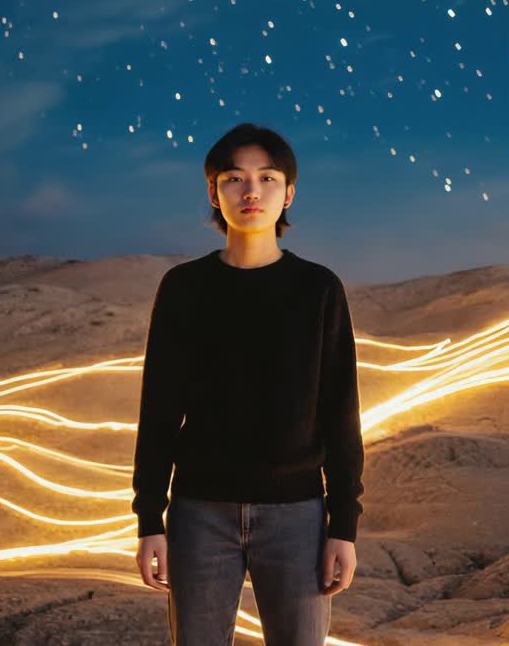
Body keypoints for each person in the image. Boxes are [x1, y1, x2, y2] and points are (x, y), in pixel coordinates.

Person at [132, 122, 365, 646]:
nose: (251, 191)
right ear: (214, 192)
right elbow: (160, 409)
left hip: (298, 519)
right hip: (198, 514)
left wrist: (343, 526)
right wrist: (151, 516)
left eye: (267, 177)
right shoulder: (184, 288)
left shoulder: (318, 289)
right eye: (234, 178)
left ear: (289, 193)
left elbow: (340, 413)